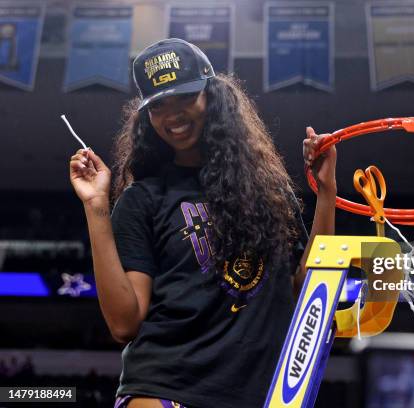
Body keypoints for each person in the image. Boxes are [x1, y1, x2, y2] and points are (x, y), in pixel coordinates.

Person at [69, 38, 336, 408]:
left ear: (213, 97)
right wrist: (97, 207)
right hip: (166, 390)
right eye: (158, 105)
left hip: (258, 396)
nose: (172, 115)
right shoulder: (143, 199)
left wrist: (326, 195)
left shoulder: (270, 191)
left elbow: (304, 292)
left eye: (184, 97)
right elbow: (124, 324)